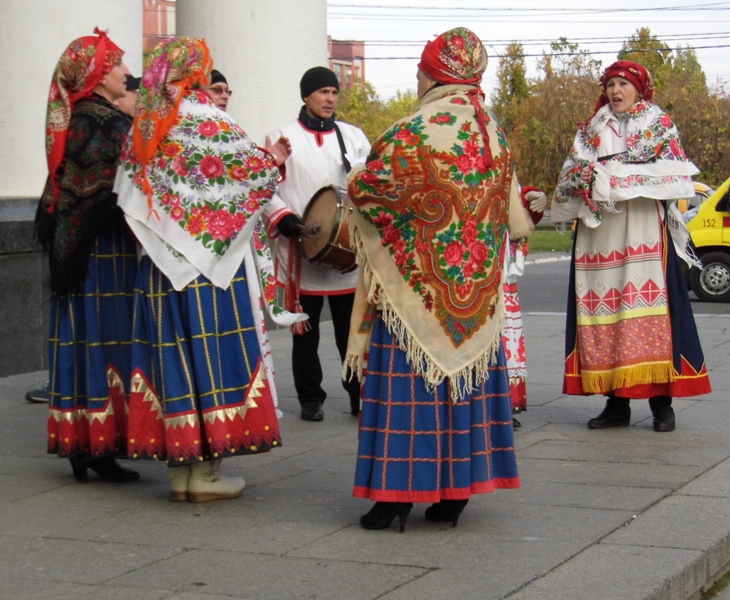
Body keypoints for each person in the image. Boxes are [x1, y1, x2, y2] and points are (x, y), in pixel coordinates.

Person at [345, 28, 528, 532]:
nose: (418, 78)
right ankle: (456, 493)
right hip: (475, 292)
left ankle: (395, 496)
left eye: (421, 71)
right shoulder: (493, 130)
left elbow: (373, 190)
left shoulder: (413, 129)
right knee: (463, 388)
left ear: (431, 75)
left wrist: (353, 181)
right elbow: (512, 217)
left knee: (410, 389)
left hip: (416, 289)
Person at [115, 38, 305, 503]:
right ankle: (208, 472)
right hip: (211, 268)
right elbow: (251, 174)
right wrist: (274, 160)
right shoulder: (209, 119)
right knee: (210, 357)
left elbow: (128, 191)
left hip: (160, 265)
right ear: (198, 74)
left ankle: (181, 473)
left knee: (172, 359)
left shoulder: (146, 124)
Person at [551, 60, 711, 432]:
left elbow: (673, 174)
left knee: (650, 309)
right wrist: (590, 175)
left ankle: (661, 403)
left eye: (623, 83)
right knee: (606, 311)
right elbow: (570, 174)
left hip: (642, 230)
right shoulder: (593, 128)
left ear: (639, 89)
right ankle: (616, 402)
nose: (615, 90)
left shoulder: (657, 123)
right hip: (600, 234)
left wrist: (613, 172)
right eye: (610, 84)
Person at [36, 28, 139, 483]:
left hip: (77, 251)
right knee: (106, 339)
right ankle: (98, 446)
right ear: (99, 75)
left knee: (81, 341)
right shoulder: (107, 122)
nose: (127, 72)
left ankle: (82, 443)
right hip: (104, 255)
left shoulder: (79, 117)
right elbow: (115, 191)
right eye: (118, 64)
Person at [264, 66, 371, 421]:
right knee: (305, 333)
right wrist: (287, 219)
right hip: (302, 249)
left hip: (345, 254)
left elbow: (369, 183)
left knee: (350, 331)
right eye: (323, 92)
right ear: (306, 95)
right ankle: (311, 398)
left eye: (334, 92)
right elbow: (266, 188)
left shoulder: (353, 137)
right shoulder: (281, 135)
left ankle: (358, 395)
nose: (330, 99)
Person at [502, 188, 547, 428]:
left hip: (497, 253)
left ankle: (503, 401)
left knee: (505, 330)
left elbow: (512, 188)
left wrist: (531, 195)